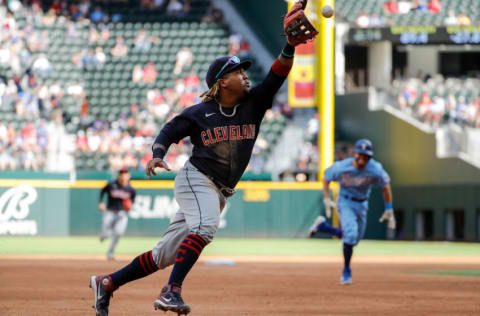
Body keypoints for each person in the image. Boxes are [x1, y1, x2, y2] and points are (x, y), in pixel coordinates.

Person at [89, 1, 317, 314]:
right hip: (196, 179)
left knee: (164, 255)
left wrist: (289, 46)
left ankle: (108, 283)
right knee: (205, 228)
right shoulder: (200, 113)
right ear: (222, 82)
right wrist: (157, 154)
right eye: (238, 72)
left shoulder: (254, 105)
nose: (245, 77)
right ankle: (171, 290)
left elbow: (277, 74)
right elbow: (169, 131)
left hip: (219, 190)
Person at [308, 139, 395, 285]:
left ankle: (323, 227)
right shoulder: (341, 167)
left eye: (366, 156)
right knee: (351, 234)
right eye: (360, 154)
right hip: (345, 201)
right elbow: (326, 177)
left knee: (354, 239)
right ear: (354, 153)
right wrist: (326, 198)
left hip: (362, 204)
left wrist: (389, 209)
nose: (362, 159)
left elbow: (385, 186)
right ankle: (346, 270)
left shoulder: (375, 168)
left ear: (370, 156)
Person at [98, 167, 136, 260]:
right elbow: (102, 191)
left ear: (128, 176)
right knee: (106, 234)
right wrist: (101, 202)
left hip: (122, 214)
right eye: (121, 173)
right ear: (118, 175)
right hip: (110, 212)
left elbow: (132, 202)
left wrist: (129, 206)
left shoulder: (131, 189)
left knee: (119, 233)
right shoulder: (111, 184)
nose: (123, 175)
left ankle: (110, 252)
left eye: (125, 173)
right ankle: (103, 236)